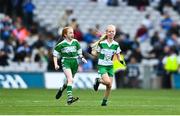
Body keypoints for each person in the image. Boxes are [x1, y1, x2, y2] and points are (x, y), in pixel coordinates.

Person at [91, 25, 125, 106]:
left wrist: (121, 61)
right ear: (106, 33)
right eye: (109, 31)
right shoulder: (102, 43)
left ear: (115, 32)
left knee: (109, 86)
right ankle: (98, 80)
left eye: (113, 31)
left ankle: (104, 102)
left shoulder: (116, 44)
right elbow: (95, 54)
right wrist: (92, 51)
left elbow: (118, 56)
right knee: (107, 82)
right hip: (102, 65)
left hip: (110, 66)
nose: (111, 33)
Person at [53, 26, 87, 105]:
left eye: (73, 32)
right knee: (70, 79)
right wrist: (56, 64)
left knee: (68, 81)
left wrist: (82, 58)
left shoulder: (76, 42)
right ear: (65, 35)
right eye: (70, 33)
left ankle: (61, 89)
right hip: (66, 61)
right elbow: (54, 55)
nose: (73, 34)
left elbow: (79, 52)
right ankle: (70, 98)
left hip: (75, 62)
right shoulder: (61, 44)